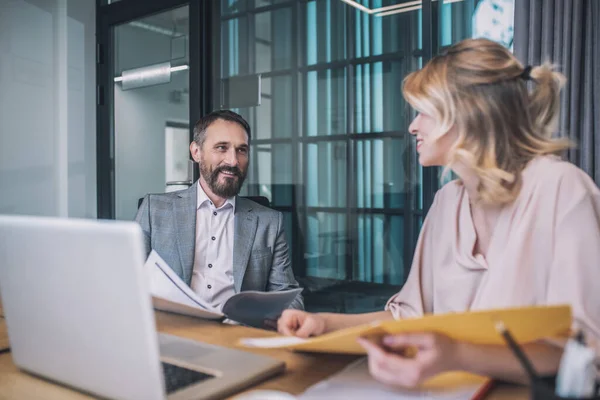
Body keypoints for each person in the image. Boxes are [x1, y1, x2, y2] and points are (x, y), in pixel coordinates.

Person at [277, 38, 600, 386]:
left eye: (425, 112)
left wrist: (456, 354)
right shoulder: (447, 201)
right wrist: (325, 324)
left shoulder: (562, 188)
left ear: (469, 111)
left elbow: (586, 349)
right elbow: (409, 318)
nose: (413, 126)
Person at [136, 110, 303, 310]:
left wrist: (284, 318)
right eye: (221, 148)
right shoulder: (154, 210)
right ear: (196, 152)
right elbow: (127, 282)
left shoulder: (269, 222)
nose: (233, 161)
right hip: (173, 329)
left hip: (236, 332)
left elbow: (288, 296)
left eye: (241, 150)